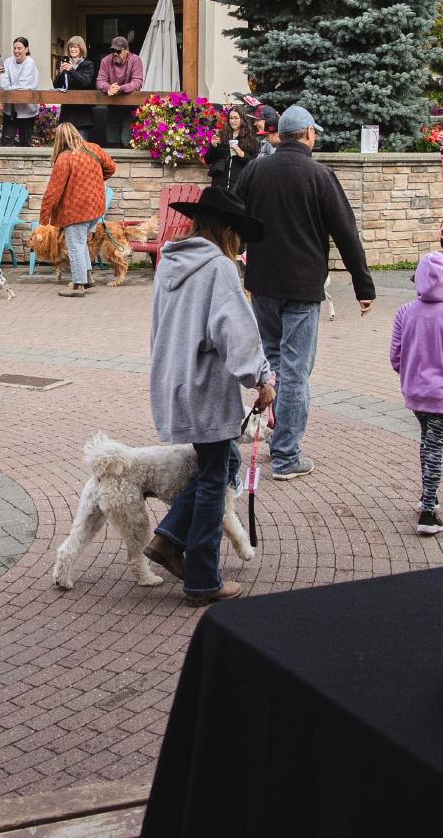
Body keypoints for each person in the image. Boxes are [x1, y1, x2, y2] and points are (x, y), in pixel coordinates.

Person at [143, 186, 274, 606]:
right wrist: (263, 379)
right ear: (228, 229)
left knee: (221, 462)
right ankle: (201, 578)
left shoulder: (170, 261)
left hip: (172, 378)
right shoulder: (218, 267)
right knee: (216, 473)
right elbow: (235, 333)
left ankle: (167, 540)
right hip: (203, 385)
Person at [231, 105, 376, 479]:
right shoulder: (320, 175)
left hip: (262, 283)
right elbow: (346, 233)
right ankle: (286, 456)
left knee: (274, 365)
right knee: (294, 372)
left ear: (281, 134)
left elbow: (232, 219)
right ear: (309, 134)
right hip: (302, 286)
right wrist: (363, 285)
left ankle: (278, 437)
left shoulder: (256, 171)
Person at [391, 252, 443, 536]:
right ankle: (428, 510)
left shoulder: (404, 312)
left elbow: (395, 356)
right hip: (441, 394)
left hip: (414, 391)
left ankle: (429, 494)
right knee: (435, 448)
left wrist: (408, 375)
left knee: (426, 443)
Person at [40, 121, 116, 299]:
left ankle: (77, 285)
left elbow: (53, 191)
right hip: (96, 207)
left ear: (59, 139)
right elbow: (111, 168)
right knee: (81, 243)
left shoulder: (65, 158)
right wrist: (96, 179)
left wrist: (44, 218)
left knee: (74, 246)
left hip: (76, 210)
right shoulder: (94, 148)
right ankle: (87, 277)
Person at [95, 35, 144, 147]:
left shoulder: (135, 60)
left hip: (130, 108)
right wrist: (109, 87)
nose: (115, 53)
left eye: (118, 51)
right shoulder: (105, 61)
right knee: (113, 143)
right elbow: (100, 81)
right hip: (112, 107)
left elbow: (137, 82)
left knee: (127, 142)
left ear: (126, 51)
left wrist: (120, 88)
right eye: (113, 50)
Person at [0, 36, 41, 146]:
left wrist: (8, 89)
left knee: (25, 142)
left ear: (26, 49)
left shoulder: (30, 63)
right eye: (14, 48)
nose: (16, 51)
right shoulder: (8, 61)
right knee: (6, 141)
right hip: (10, 109)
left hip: (26, 110)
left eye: (19, 48)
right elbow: (3, 84)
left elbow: (23, 85)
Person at [204, 106, 259, 192]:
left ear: (242, 119)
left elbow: (255, 165)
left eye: (236, 118)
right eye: (231, 118)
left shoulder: (251, 140)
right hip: (219, 187)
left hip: (239, 188)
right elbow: (207, 160)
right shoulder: (222, 136)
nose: (233, 121)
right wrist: (213, 146)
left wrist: (242, 154)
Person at [54, 36, 97, 140]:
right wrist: (60, 73)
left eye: (76, 47)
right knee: (66, 148)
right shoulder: (66, 63)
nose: (72, 49)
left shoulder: (88, 64)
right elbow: (56, 85)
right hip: (67, 113)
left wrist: (71, 70)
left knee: (80, 149)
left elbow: (85, 82)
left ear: (81, 49)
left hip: (82, 115)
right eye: (71, 47)